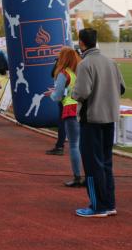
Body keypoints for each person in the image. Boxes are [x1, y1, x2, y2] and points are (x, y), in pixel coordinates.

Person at [72, 28, 125, 218]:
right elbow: (121, 87)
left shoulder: (85, 64)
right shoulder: (111, 62)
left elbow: (82, 92)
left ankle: (98, 206)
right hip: (109, 118)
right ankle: (109, 203)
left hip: (92, 119)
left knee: (92, 164)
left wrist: (72, 93)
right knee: (106, 162)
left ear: (81, 43)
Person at [44, 47, 83, 187]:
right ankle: (89, 174)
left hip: (70, 109)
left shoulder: (63, 74)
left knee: (74, 145)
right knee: (83, 144)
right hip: (83, 109)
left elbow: (58, 96)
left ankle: (77, 176)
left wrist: (52, 94)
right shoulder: (78, 72)